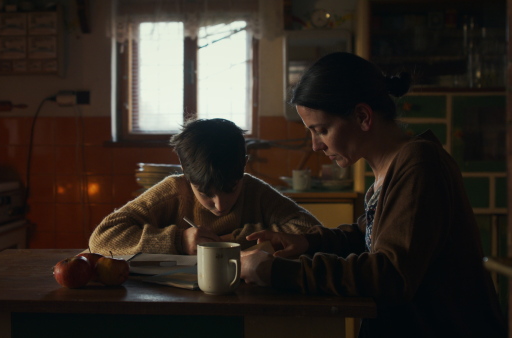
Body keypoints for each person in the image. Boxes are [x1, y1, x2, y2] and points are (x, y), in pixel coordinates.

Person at [240, 52, 506, 337]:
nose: (316, 145)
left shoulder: (420, 165)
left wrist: (277, 272)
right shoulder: (389, 170)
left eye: (322, 130)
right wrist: (307, 242)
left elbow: (390, 274)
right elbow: (367, 237)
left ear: (363, 116)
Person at [88, 118, 320, 255]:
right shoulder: (172, 192)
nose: (220, 205)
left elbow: (314, 232)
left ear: (244, 166)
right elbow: (102, 239)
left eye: (230, 189)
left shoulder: (255, 192)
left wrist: (238, 239)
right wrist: (179, 241)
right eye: (206, 193)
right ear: (186, 176)